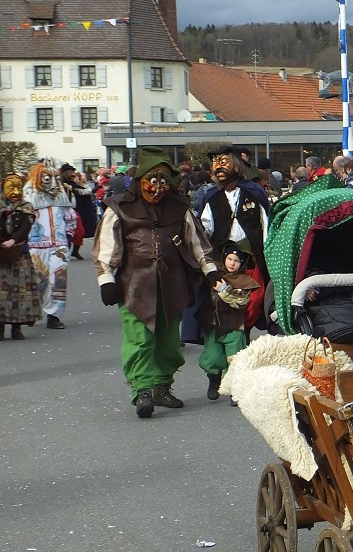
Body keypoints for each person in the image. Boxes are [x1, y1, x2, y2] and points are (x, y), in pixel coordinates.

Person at [93, 147, 221, 418]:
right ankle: (142, 391)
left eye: (163, 181)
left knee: (168, 340)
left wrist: (210, 270)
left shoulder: (180, 208)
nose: (157, 187)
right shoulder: (120, 207)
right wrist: (106, 279)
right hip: (134, 285)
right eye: (152, 180)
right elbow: (106, 247)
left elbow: (197, 243)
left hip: (172, 283)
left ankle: (162, 387)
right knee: (139, 339)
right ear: (140, 180)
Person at [200, 145, 271, 332]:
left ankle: (244, 333)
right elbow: (205, 228)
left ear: (236, 164)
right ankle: (230, 339)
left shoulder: (253, 192)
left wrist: (267, 255)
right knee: (223, 302)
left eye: (223, 162)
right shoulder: (211, 195)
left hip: (250, 258)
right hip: (221, 260)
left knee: (253, 300)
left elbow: (265, 225)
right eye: (215, 163)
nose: (218, 167)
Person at [199, 242, 259, 402]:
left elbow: (240, 302)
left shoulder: (245, 282)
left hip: (234, 327)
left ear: (242, 263)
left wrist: (224, 290)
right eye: (230, 259)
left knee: (235, 359)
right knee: (211, 358)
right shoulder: (214, 275)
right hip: (214, 325)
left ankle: (235, 389)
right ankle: (214, 381)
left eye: (237, 261)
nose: (232, 263)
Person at [24, 162, 77, 330]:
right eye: (47, 178)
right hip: (36, 246)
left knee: (59, 281)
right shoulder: (28, 198)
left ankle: (54, 316)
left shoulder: (61, 196)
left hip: (59, 245)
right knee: (38, 281)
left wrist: (68, 235)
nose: (53, 183)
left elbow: (70, 217)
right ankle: (32, 311)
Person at [0, 172, 41, 340]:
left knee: (20, 294)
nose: (15, 191)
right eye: (11, 187)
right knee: (1, 294)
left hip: (19, 255)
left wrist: (13, 240)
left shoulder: (26, 207)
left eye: (18, 187)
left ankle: (17, 328)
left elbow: (25, 228)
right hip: (1, 256)